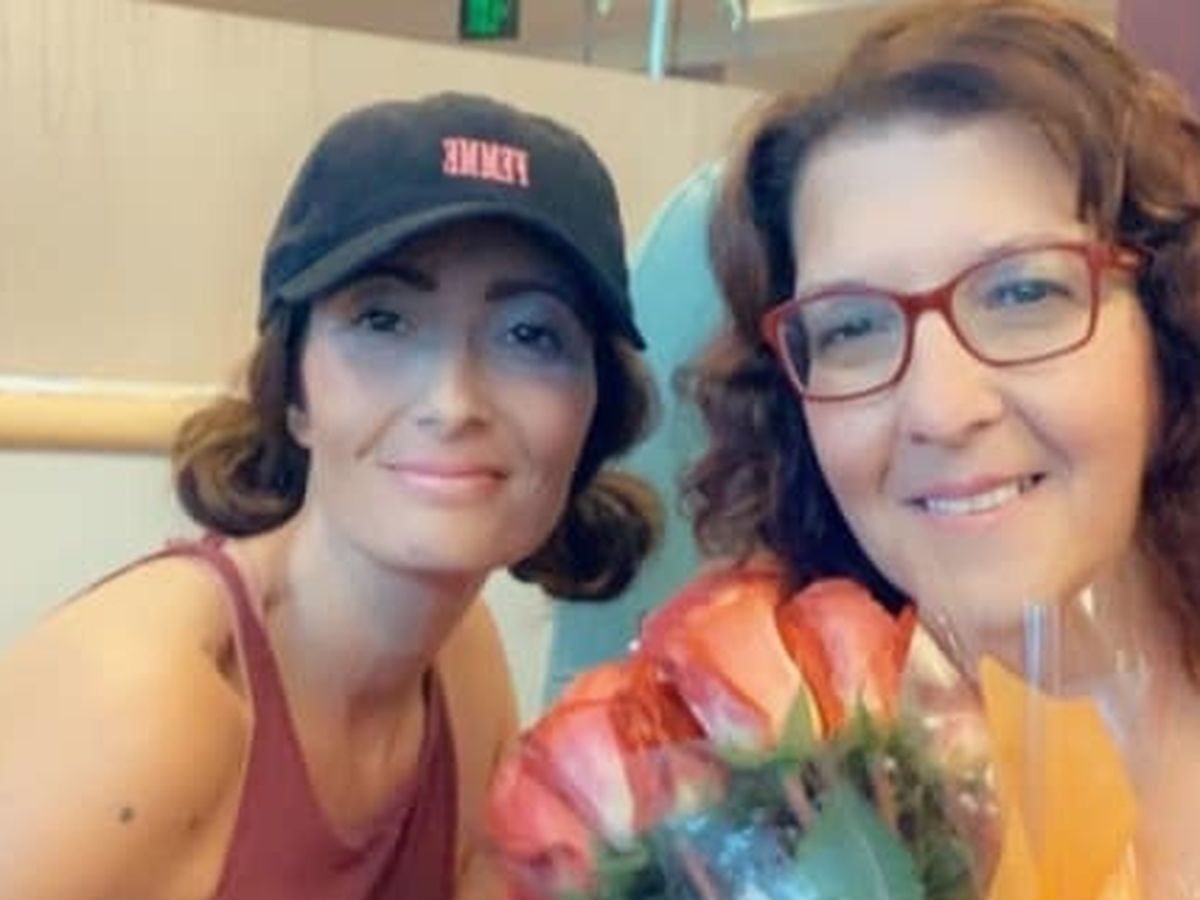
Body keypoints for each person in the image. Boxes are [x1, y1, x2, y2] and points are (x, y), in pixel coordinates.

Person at [0, 92, 659, 900]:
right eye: (384, 321)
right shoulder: (140, 701)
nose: (453, 403)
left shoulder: (461, 663)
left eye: (530, 334)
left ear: (593, 416)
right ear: (295, 392)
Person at [682, 0, 1200, 894]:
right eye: (852, 327)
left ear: (1170, 324)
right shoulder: (764, 811)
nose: (941, 409)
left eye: (1023, 294)